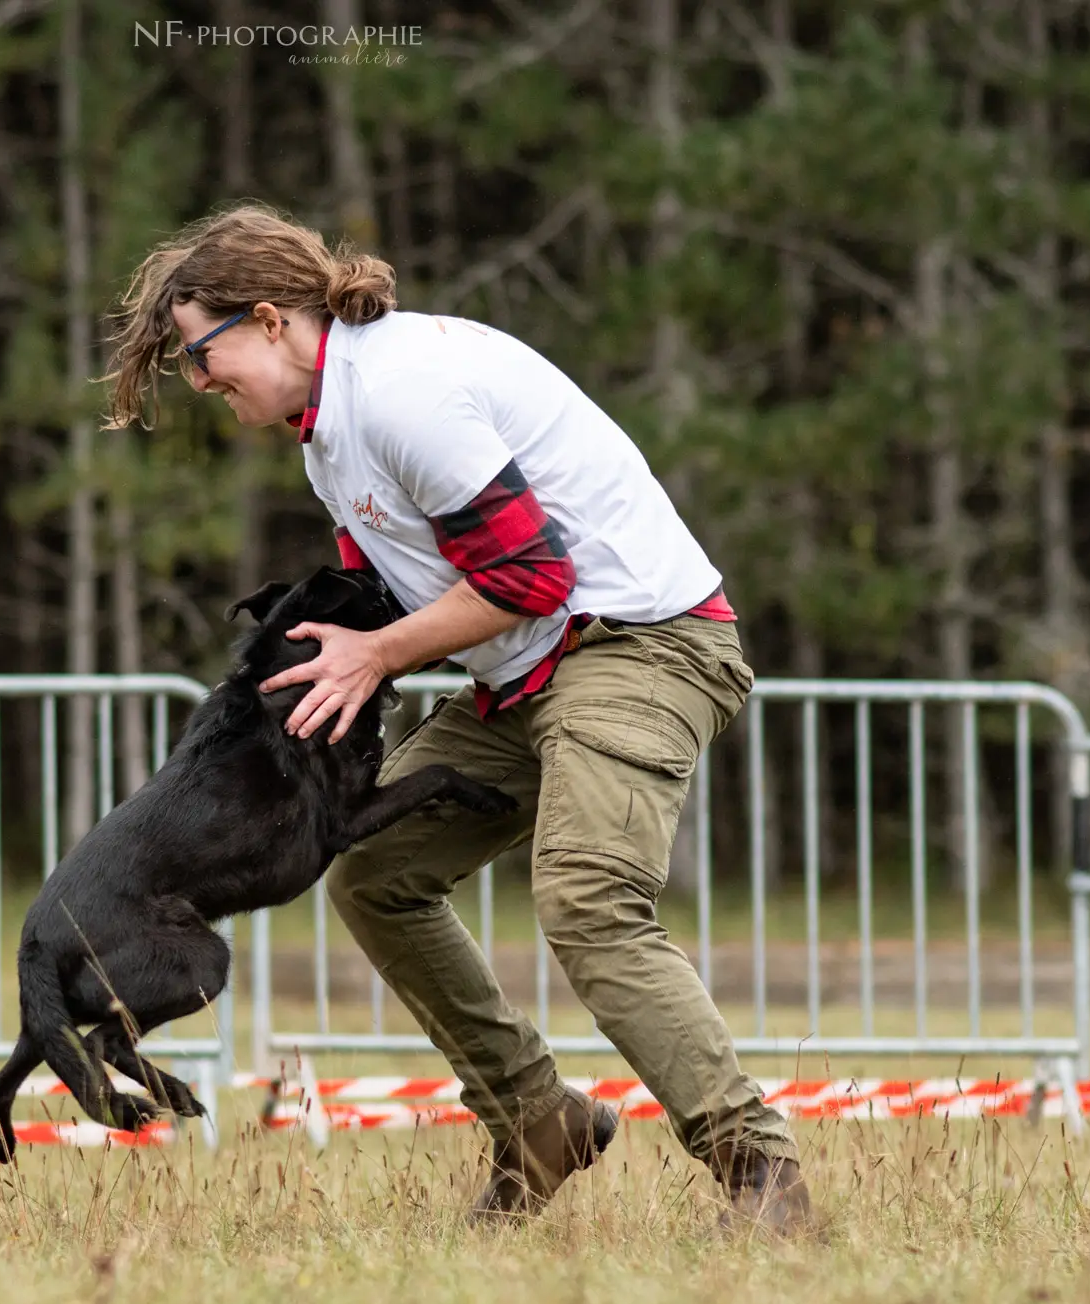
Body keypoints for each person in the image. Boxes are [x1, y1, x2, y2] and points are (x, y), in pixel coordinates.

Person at [103, 203, 811, 1232]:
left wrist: (378, 655)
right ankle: (536, 1120)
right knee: (376, 875)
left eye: (201, 355)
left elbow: (529, 575)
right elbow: (386, 598)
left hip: (642, 644)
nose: (200, 382)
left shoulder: (400, 395)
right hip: (528, 670)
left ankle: (760, 1177)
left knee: (584, 898)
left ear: (268, 320)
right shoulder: (329, 438)